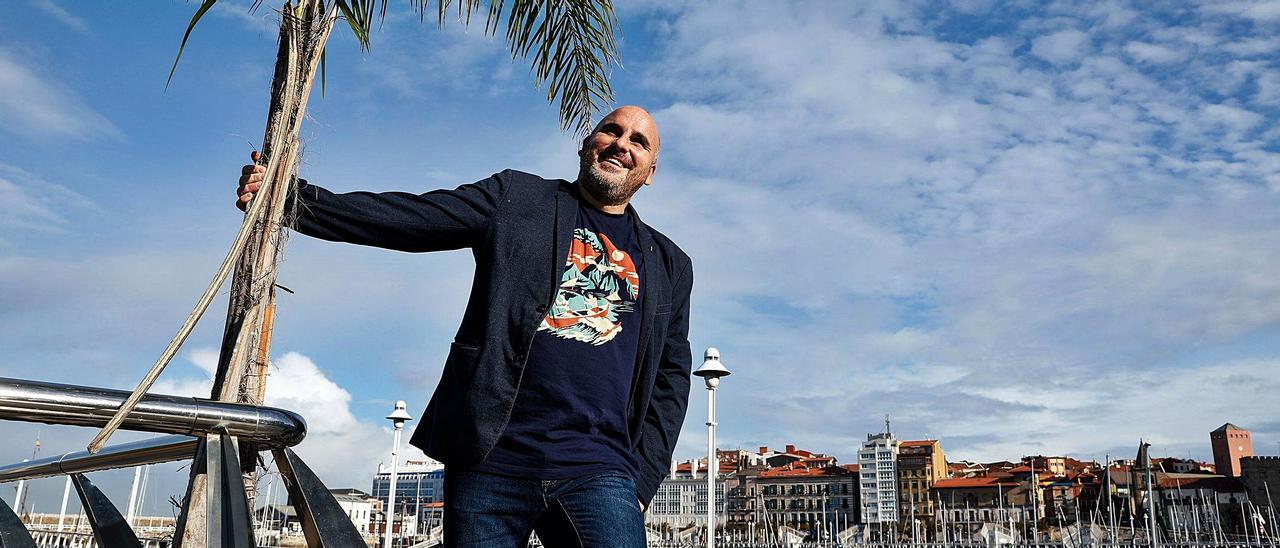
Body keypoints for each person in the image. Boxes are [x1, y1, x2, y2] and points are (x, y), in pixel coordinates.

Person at [237, 106, 693, 547]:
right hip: (490, 459)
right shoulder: (517, 198)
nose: (621, 144)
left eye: (639, 141)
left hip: (600, 468)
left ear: (650, 170)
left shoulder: (669, 264)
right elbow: (410, 218)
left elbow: (671, 379)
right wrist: (287, 199)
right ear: (585, 144)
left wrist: (642, 479)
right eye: (612, 131)